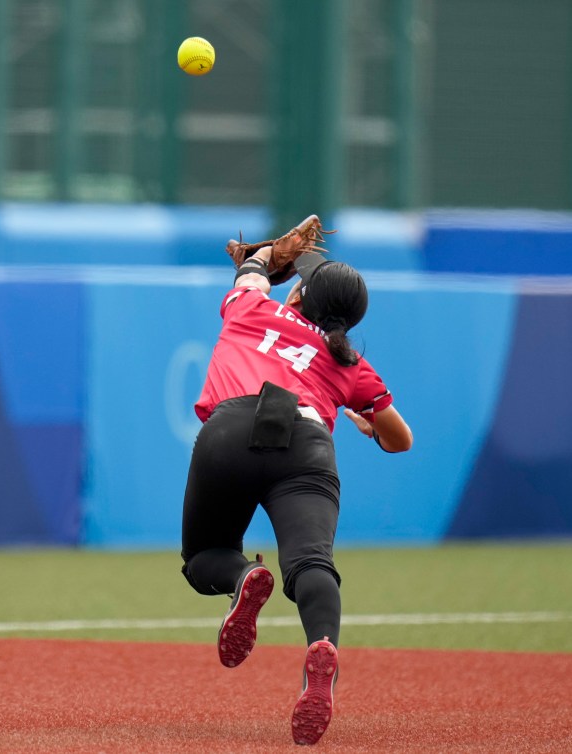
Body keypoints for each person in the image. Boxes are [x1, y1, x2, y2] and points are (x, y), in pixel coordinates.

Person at [180, 240, 413, 746]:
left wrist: (264, 256)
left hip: (230, 429)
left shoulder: (250, 308)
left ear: (300, 294)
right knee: (311, 564)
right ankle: (322, 646)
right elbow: (402, 439)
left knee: (203, 557)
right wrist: (371, 430)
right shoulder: (348, 362)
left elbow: (252, 273)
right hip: (306, 443)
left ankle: (244, 576)